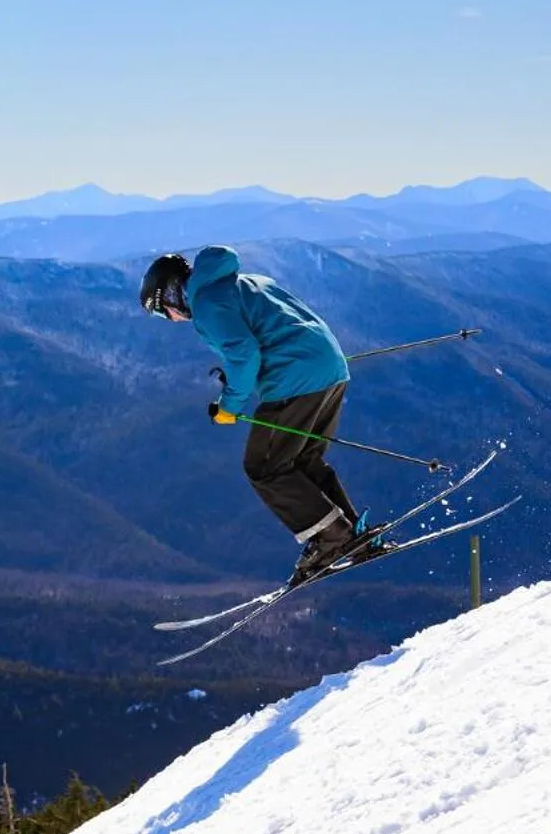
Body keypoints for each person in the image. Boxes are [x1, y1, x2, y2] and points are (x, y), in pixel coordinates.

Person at [141, 246, 389, 584]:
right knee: (301, 462)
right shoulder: (243, 282)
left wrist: (229, 407)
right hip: (329, 369)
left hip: (296, 380)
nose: (170, 318)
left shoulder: (207, 304)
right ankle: (354, 536)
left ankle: (332, 538)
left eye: (160, 311)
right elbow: (273, 329)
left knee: (264, 466)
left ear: (170, 293)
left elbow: (244, 354)